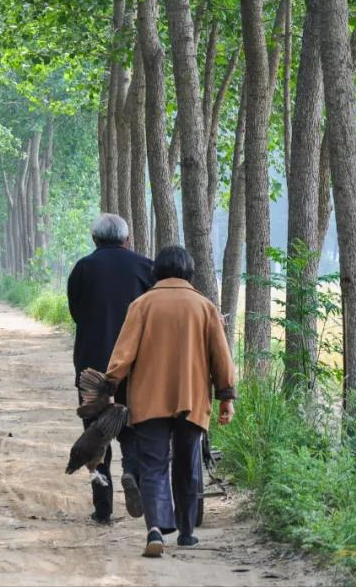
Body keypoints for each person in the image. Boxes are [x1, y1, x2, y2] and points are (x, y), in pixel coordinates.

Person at [105, 245, 237, 557]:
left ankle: (155, 528)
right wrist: (226, 396)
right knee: (188, 464)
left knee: (153, 465)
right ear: (189, 272)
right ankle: (187, 532)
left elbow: (123, 354)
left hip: (149, 399)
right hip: (191, 398)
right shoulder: (205, 307)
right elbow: (222, 357)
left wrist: (110, 385)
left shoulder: (141, 305)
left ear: (157, 271)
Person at [66, 213, 155, 525]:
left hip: (92, 366)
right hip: (135, 365)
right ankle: (132, 473)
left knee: (95, 435)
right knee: (131, 427)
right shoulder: (146, 267)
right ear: (127, 239)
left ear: (94, 239)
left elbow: (76, 312)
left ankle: (103, 507)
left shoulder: (83, 269)